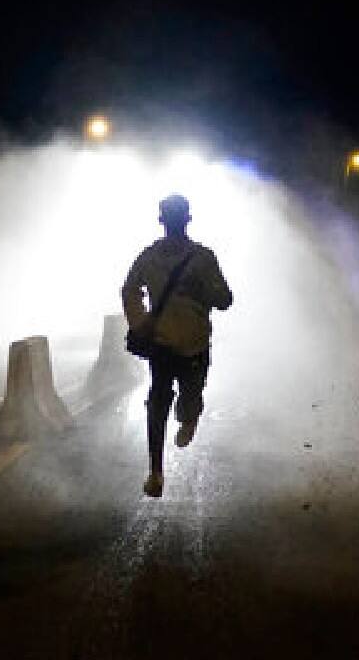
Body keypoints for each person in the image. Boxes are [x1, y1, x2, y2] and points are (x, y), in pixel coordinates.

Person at [122, 194, 233, 497]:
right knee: (157, 404)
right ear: (164, 221)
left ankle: (190, 415)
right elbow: (130, 288)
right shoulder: (150, 257)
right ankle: (155, 472)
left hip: (194, 345)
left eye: (175, 217)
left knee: (188, 401)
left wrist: (203, 290)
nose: (172, 223)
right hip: (162, 345)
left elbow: (225, 299)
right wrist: (140, 322)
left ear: (184, 221)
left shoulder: (202, 258)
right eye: (168, 217)